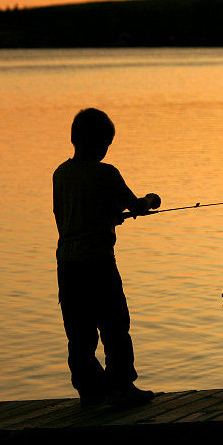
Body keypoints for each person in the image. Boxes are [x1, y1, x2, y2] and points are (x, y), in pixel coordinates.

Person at [53, 108, 160, 407]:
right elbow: (136, 206)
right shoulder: (106, 173)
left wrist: (109, 217)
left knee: (79, 332)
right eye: (107, 142)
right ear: (101, 142)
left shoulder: (60, 173)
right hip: (98, 263)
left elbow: (71, 214)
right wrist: (150, 200)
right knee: (114, 326)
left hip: (68, 266)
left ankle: (89, 390)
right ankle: (121, 386)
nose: (107, 149)